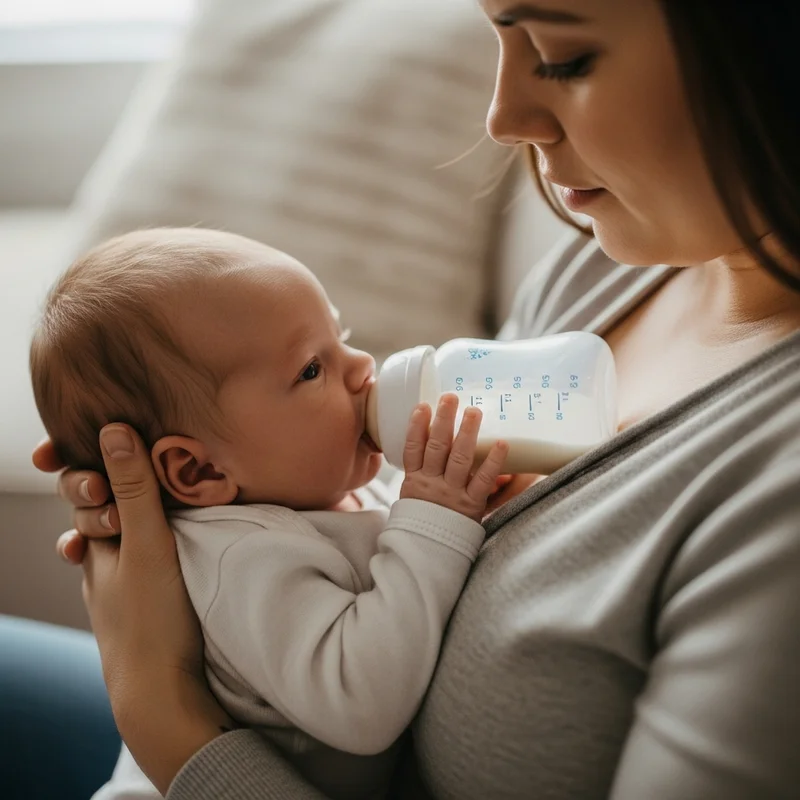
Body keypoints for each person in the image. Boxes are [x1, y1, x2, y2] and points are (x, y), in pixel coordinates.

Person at [4, 0, 800, 797]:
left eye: (562, 55)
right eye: (502, 38)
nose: (502, 117)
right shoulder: (613, 256)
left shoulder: (772, 503)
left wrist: (157, 705)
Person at [29, 227, 507, 800]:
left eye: (342, 334)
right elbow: (360, 702)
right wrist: (435, 519)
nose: (361, 367)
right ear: (199, 472)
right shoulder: (242, 556)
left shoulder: (303, 491)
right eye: (311, 369)